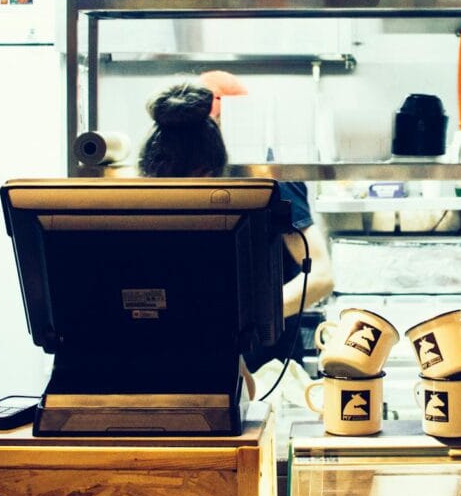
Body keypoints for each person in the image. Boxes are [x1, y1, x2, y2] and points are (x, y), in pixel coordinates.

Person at [138, 82, 334, 322]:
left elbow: (321, 277)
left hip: (264, 342)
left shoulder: (270, 180)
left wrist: (242, 319)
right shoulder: (153, 194)